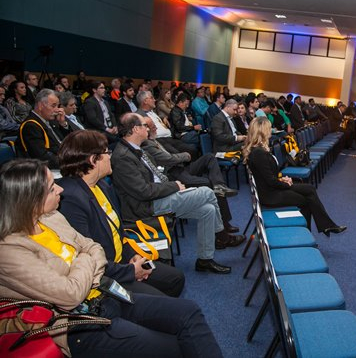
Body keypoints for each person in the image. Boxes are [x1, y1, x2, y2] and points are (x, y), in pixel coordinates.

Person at [0, 159, 223, 358]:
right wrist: (85, 258)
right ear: (28, 201)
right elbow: (71, 294)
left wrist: (83, 261)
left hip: (106, 295)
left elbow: (93, 246)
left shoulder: (51, 217)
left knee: (188, 312)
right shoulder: (9, 251)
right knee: (174, 347)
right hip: (79, 323)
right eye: (51, 188)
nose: (60, 189)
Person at [57, 130, 185, 297]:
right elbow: (88, 257)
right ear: (93, 160)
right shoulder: (71, 200)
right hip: (104, 276)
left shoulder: (101, 186)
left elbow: (117, 231)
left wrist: (132, 256)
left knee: (175, 278)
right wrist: (130, 271)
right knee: (173, 305)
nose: (110, 157)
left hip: (122, 260)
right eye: (106, 153)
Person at [111, 112, 239, 273]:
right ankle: (221, 235)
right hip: (146, 206)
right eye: (144, 125)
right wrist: (174, 186)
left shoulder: (137, 149)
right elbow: (143, 191)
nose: (148, 129)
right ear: (136, 129)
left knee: (208, 210)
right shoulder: (123, 157)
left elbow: (156, 176)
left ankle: (205, 260)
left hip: (159, 196)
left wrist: (172, 186)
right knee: (207, 192)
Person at [243, 116, 346, 236]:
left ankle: (325, 226)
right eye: (269, 128)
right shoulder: (259, 153)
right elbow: (270, 181)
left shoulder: (258, 151)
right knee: (306, 200)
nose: (271, 130)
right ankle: (309, 233)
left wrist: (282, 179)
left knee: (310, 189)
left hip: (271, 188)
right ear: (263, 131)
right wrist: (285, 183)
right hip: (270, 195)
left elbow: (267, 177)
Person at [18, 89, 69, 168]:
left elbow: (66, 141)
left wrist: (62, 123)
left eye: (57, 106)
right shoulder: (30, 126)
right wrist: (68, 162)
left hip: (61, 159)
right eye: (53, 106)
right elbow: (42, 157)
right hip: (43, 168)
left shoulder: (52, 121)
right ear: (40, 106)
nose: (57, 110)